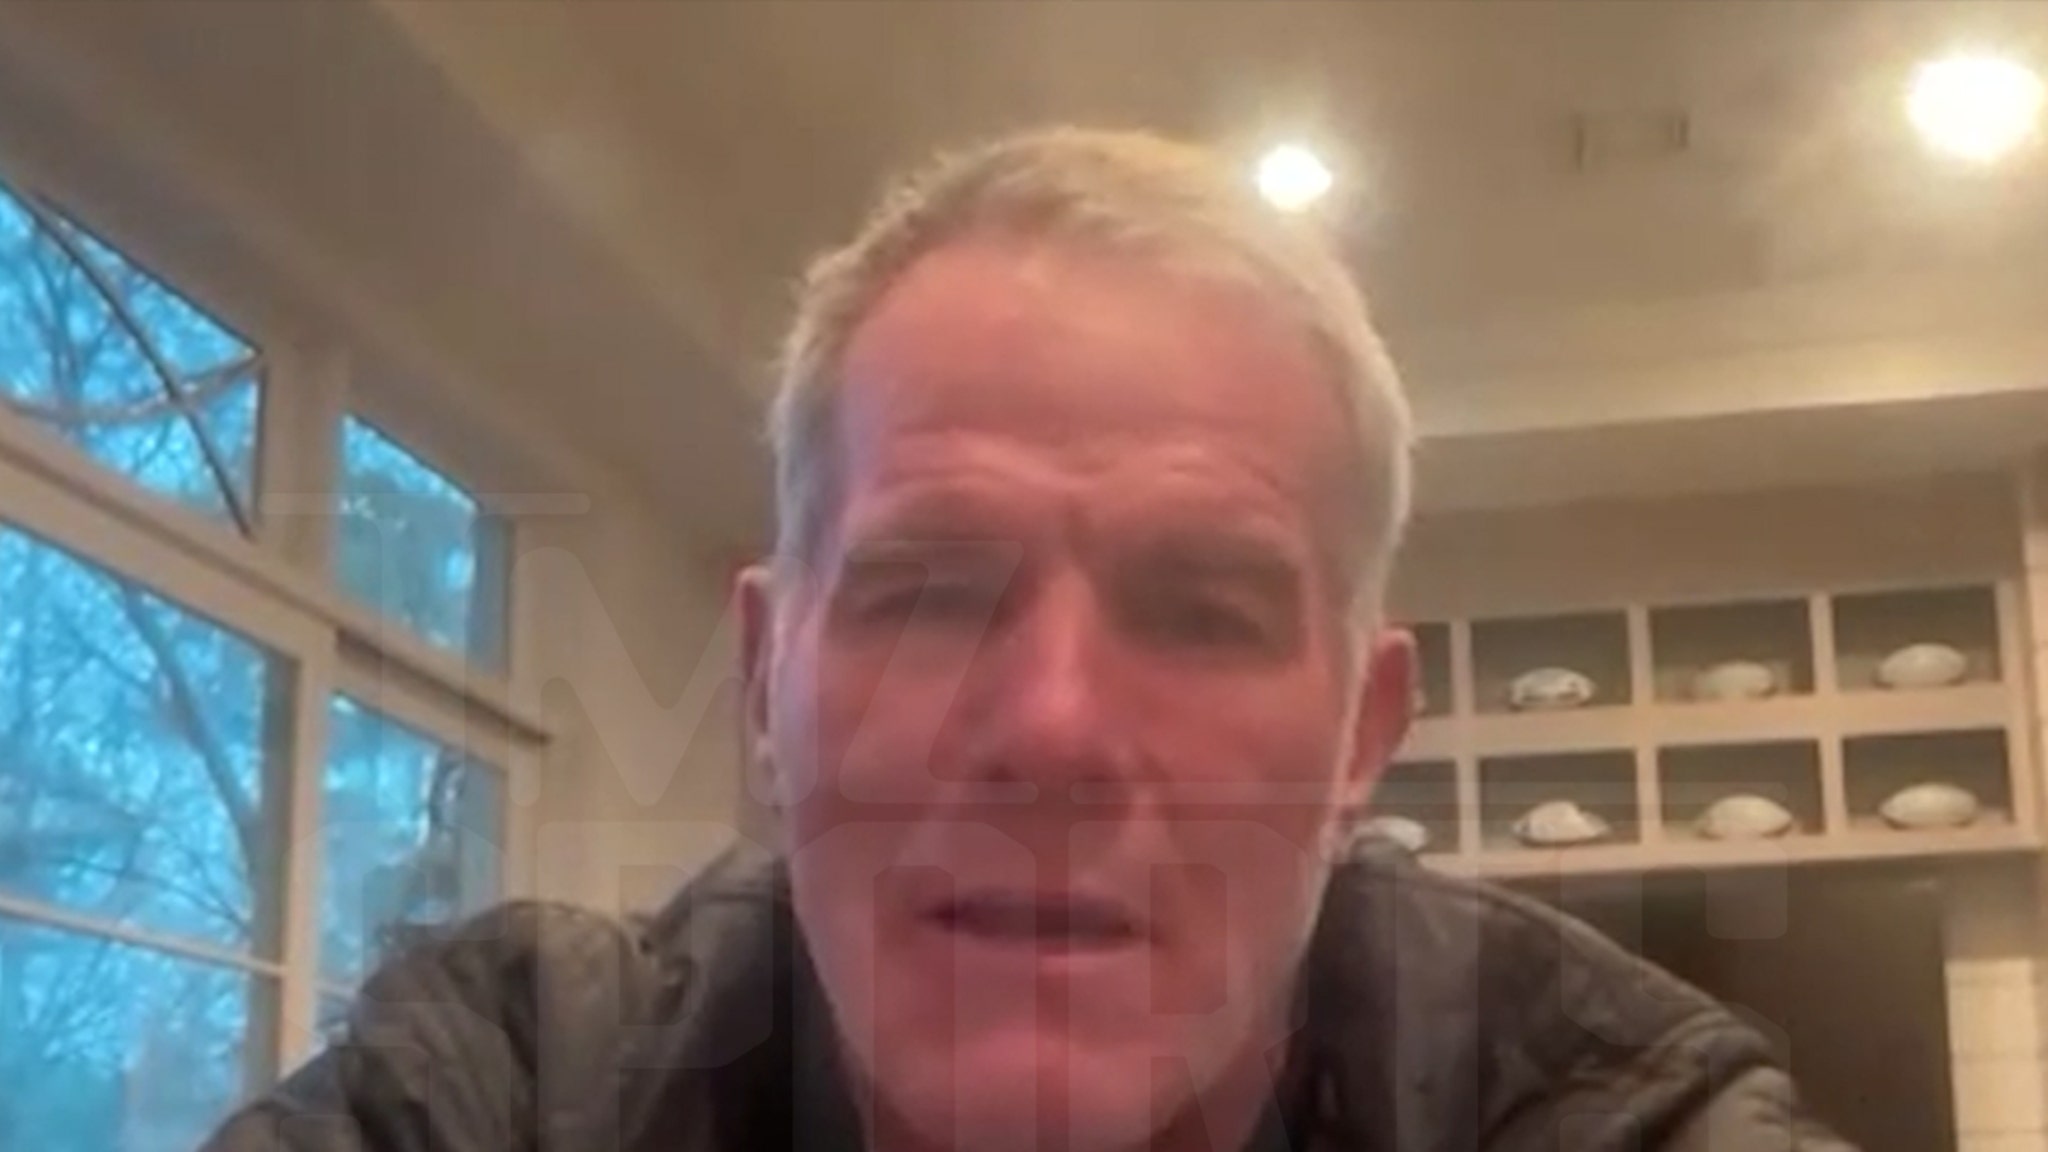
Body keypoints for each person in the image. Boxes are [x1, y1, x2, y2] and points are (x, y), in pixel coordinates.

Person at [200, 128, 1854, 1152]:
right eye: (928, 595)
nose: (1053, 729)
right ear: (767, 680)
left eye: (1202, 613)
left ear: (1362, 734)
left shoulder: (1602, 1118)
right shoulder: (521, 1087)